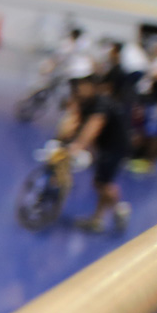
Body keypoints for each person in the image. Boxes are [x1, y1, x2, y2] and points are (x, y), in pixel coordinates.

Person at [61, 75, 132, 233]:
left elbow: (94, 125)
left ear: (91, 86)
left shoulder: (102, 103)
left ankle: (120, 209)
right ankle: (98, 219)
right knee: (99, 183)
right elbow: (73, 121)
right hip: (102, 145)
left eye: (82, 85)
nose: (78, 89)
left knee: (103, 183)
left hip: (115, 147)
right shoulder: (84, 101)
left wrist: (78, 145)